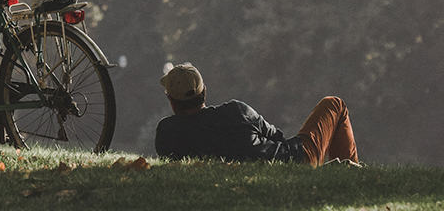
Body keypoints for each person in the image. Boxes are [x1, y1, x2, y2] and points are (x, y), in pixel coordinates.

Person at [154, 62, 359, 166]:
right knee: (334, 104)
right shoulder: (236, 111)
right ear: (204, 91)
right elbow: (278, 137)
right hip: (293, 159)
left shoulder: (166, 132)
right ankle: (354, 175)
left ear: (171, 101)